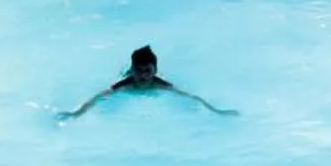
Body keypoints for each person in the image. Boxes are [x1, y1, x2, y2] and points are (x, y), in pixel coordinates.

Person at [60, 46, 234, 118]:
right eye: (139, 71)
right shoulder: (125, 85)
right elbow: (97, 98)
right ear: (134, 72)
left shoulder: (159, 84)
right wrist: (76, 114)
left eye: (147, 72)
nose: (143, 76)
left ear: (154, 72)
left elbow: (191, 97)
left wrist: (216, 111)